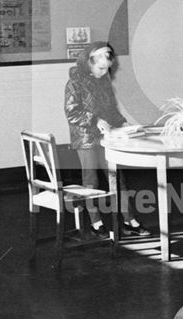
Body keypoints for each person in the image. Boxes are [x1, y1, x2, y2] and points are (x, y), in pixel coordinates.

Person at [64, 41, 150, 238]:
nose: (104, 72)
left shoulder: (104, 81)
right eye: (101, 68)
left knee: (117, 178)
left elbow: (111, 109)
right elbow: (71, 112)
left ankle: (130, 221)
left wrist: (123, 123)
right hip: (85, 139)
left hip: (107, 138)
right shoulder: (74, 83)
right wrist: (95, 120)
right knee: (90, 181)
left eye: (107, 69)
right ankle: (96, 223)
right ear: (89, 63)